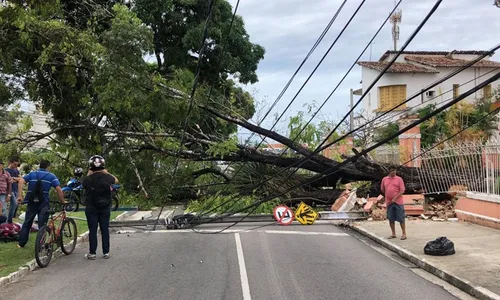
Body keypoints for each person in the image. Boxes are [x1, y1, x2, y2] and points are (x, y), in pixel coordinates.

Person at [16, 160, 66, 248]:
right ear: (48, 167)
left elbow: (20, 181)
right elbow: (58, 189)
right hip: (43, 203)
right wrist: (62, 201)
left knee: (27, 222)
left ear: (40, 166)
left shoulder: (32, 174)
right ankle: (40, 246)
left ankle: (21, 244)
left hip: (31, 202)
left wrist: (19, 196)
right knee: (42, 225)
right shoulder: (51, 176)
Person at [82, 155, 118, 260]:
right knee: (104, 229)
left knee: (92, 230)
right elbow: (116, 180)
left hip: (91, 208)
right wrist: (106, 173)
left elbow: (83, 184)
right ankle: (106, 252)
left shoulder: (88, 179)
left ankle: (92, 253)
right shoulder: (107, 177)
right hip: (105, 207)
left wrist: (89, 174)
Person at [380, 167, 407, 240]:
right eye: (392, 171)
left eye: (394, 171)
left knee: (401, 218)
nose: (393, 172)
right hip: (389, 202)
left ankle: (404, 233)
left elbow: (402, 190)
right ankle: (393, 233)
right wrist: (388, 196)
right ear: (389, 171)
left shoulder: (399, 179)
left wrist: (395, 197)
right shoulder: (384, 179)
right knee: (391, 218)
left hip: (398, 202)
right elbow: (382, 189)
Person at [5, 157, 20, 223]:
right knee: (14, 203)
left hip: (16, 189)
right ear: (10, 163)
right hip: (10, 190)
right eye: (14, 164)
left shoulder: (16, 170)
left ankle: (10, 219)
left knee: (16, 204)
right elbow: (8, 180)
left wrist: (14, 179)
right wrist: (14, 179)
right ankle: (9, 220)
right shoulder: (6, 170)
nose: (16, 166)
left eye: (17, 165)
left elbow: (21, 179)